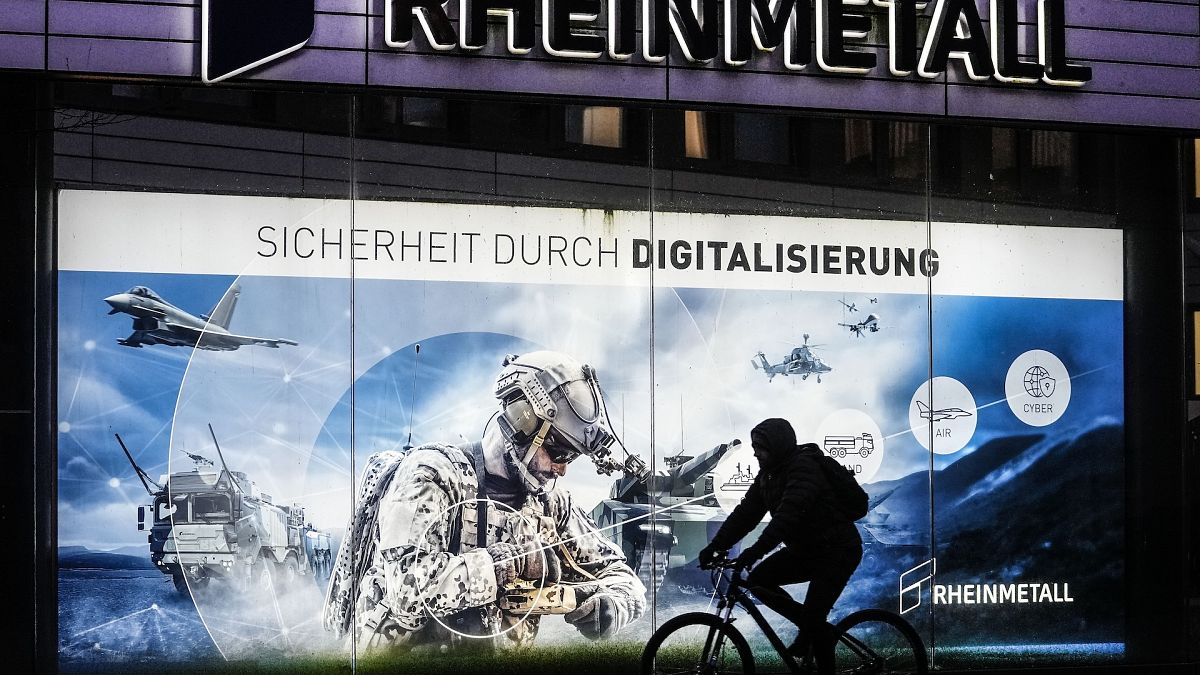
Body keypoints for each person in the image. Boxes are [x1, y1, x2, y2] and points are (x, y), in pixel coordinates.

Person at [323, 350, 646, 651]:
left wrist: (614, 604)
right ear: (523, 422)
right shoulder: (432, 474)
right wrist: (509, 563)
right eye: (558, 452)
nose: (561, 468)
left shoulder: (550, 504)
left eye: (570, 459)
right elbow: (407, 593)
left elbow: (620, 575)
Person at [698, 417, 863, 675]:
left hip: (837, 550)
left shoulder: (804, 468)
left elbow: (787, 517)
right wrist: (716, 546)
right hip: (808, 551)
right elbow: (746, 515)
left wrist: (754, 552)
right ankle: (811, 628)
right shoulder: (769, 475)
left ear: (776, 445)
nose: (756, 453)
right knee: (759, 580)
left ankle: (815, 632)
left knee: (813, 621)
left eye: (760, 448)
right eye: (754, 447)